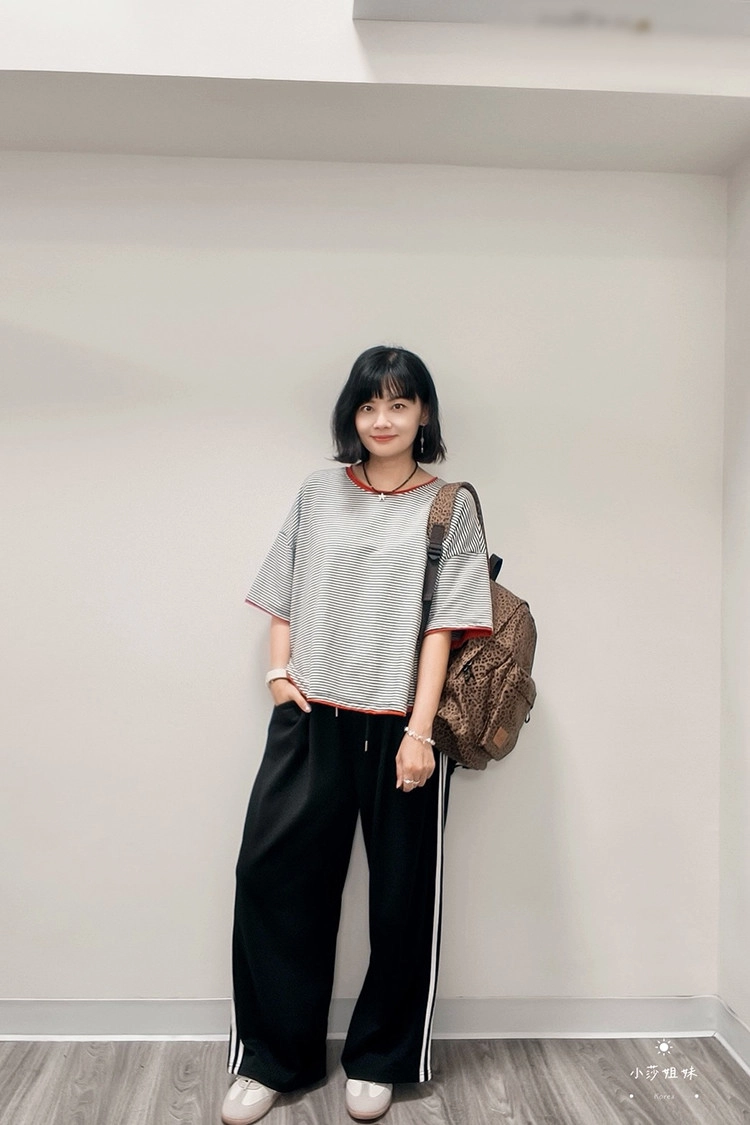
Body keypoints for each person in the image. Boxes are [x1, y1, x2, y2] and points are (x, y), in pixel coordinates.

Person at [221, 345, 493, 1125]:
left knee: (402, 898)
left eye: (399, 403)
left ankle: (381, 1057)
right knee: (272, 879)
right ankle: (272, 1057)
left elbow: (444, 626)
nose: (383, 419)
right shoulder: (318, 491)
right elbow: (284, 590)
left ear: (424, 413)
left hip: (400, 728)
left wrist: (420, 731)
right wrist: (279, 674)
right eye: (370, 404)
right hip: (312, 718)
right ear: (352, 413)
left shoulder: (449, 506)